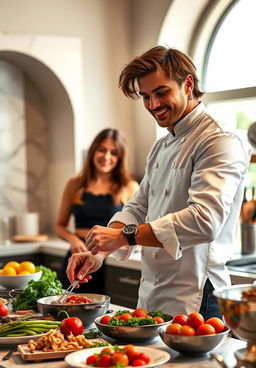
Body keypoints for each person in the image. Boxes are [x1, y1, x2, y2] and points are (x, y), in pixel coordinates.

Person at [66, 46, 250, 318]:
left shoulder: (219, 140)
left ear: (188, 84)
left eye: (161, 92)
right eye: (146, 96)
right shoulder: (161, 145)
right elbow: (137, 207)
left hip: (197, 296)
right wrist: (100, 252)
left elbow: (204, 220)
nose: (153, 105)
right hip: (152, 294)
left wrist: (122, 236)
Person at [56, 128, 139, 292]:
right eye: (102, 150)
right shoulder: (74, 184)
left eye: (114, 152)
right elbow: (59, 225)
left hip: (111, 258)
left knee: (103, 314)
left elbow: (137, 227)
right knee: (65, 309)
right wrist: (74, 241)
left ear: (120, 158)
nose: (106, 157)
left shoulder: (129, 186)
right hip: (78, 256)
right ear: (93, 151)